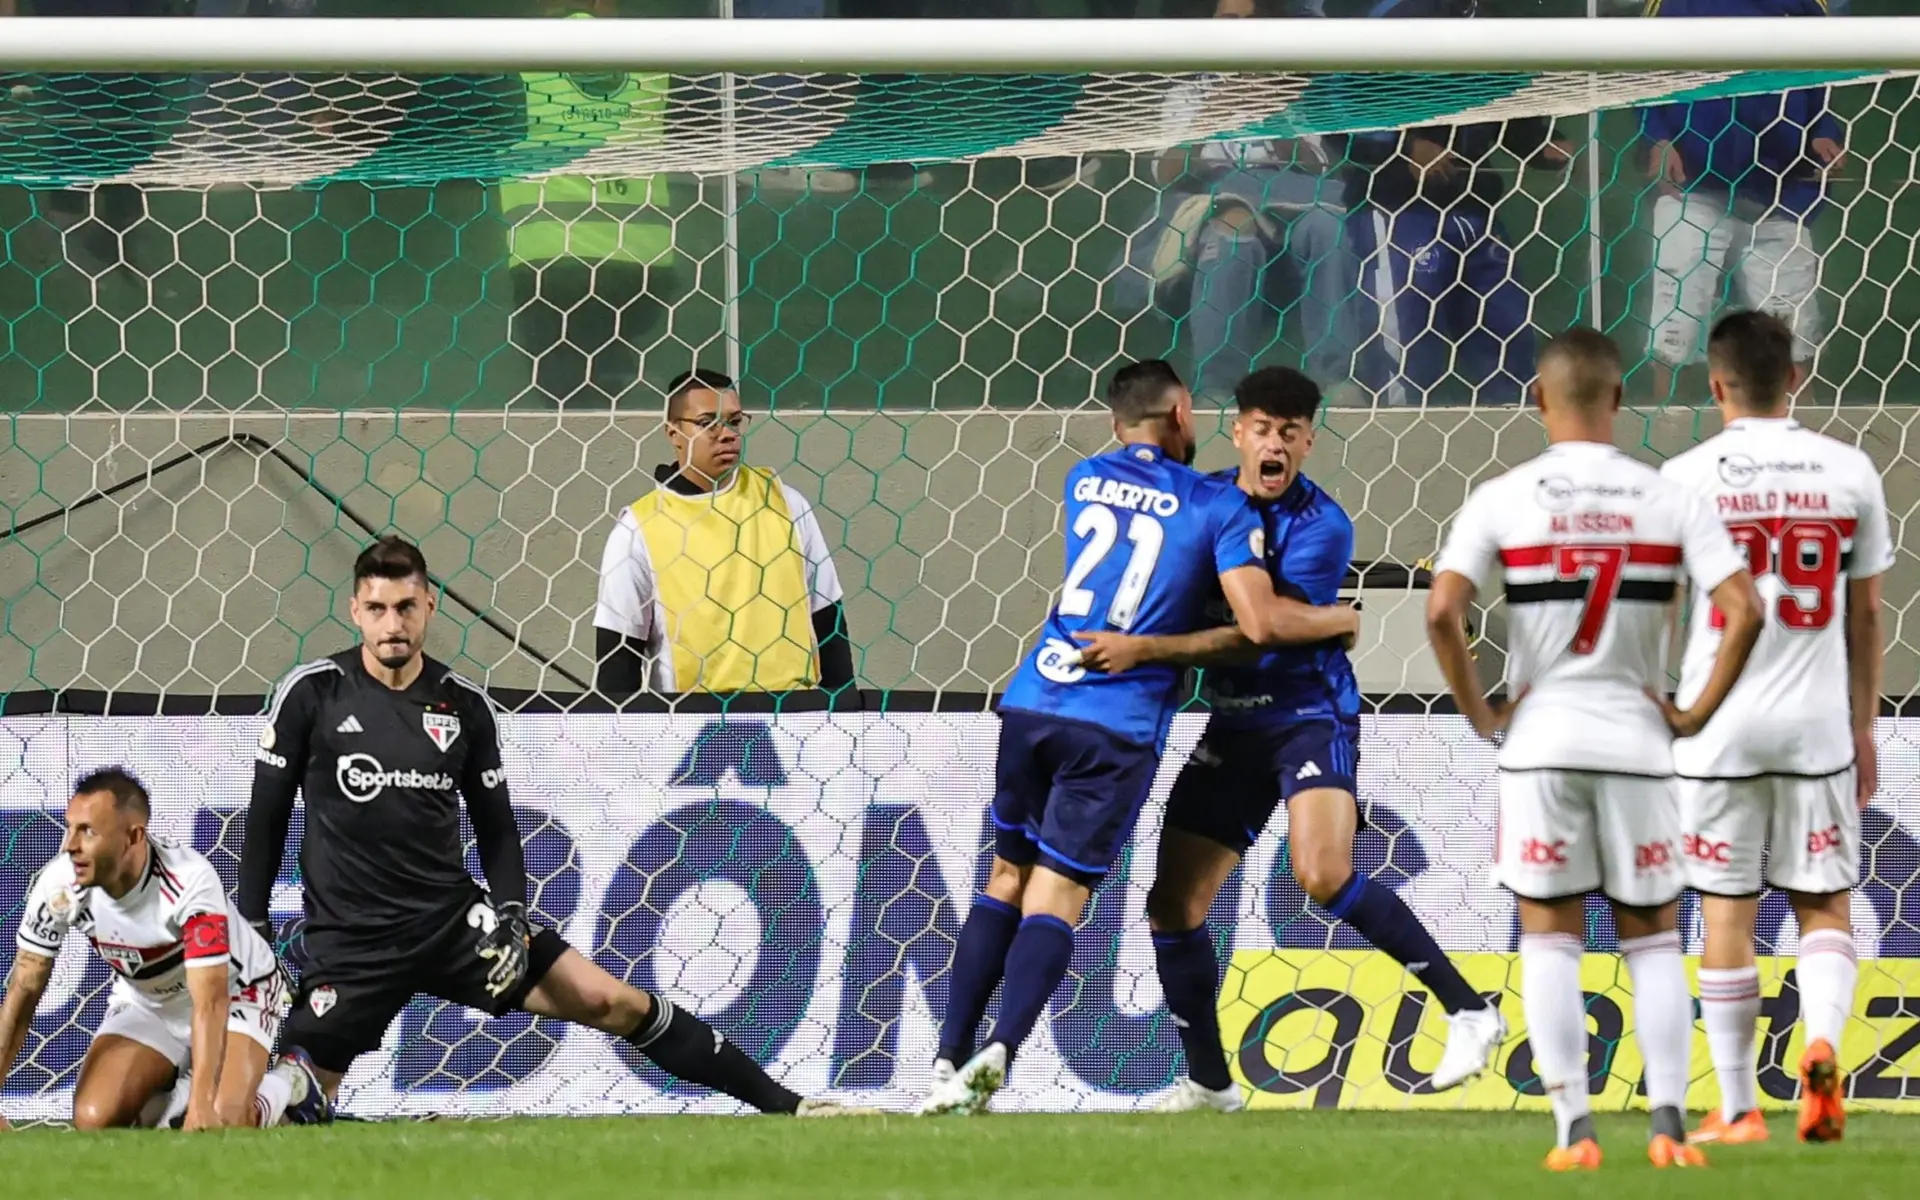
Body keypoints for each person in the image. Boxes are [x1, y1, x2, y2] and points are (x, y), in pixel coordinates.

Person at [239, 535, 867, 1117]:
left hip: (453, 924)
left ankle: (790, 1107)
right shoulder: (312, 694)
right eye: (377, 608)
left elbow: (498, 830)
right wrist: (256, 925)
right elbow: (265, 820)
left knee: (609, 1000)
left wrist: (512, 913)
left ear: (429, 604)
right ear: (354, 610)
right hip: (352, 941)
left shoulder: (462, 705)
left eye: (406, 606)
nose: (393, 624)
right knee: (298, 1096)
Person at [919, 360, 1361, 1116]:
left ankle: (943, 1060)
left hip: (1032, 700)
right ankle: (1000, 1051)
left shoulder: (1084, 477)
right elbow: (1255, 627)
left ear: (1114, 423)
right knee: (1055, 895)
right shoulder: (1215, 505)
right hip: (1114, 723)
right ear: (1187, 413)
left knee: (1003, 880)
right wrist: (1338, 619)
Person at [1069, 366, 1504, 1112]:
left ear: (1307, 442)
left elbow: (1259, 637)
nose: (1274, 446)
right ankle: (1208, 1081)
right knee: (1172, 905)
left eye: (1290, 434)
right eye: (1262, 429)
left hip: (1308, 713)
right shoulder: (1199, 499)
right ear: (1236, 431)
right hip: (1234, 725)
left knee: (1323, 874)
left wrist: (1159, 648)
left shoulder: (1322, 526)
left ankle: (1469, 1009)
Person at [1425, 328, 1762, 1170]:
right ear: (1618, 400)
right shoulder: (1669, 497)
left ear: (1538, 400)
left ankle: (1575, 1130)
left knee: (1550, 938)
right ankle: (1669, 1128)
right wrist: (1692, 711)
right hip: (1641, 748)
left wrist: (1481, 712)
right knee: (1651, 939)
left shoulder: (1502, 496)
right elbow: (1745, 607)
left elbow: (1439, 612)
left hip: (1541, 746)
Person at [1659, 311, 1890, 1146]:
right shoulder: (1850, 469)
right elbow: (1867, 612)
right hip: (1817, 727)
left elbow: (1662, 613)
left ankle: (1737, 1107)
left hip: (1716, 728)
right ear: (1795, 377)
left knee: (1727, 910)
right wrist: (1863, 726)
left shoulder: (1683, 477)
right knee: (1824, 903)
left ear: (1715, 384)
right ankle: (1820, 1050)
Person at [0, 767, 327, 1132]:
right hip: (149, 1000)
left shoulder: (189, 883)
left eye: (87, 831)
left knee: (224, 1119)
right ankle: (177, 1097)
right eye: (70, 827)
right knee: (94, 1121)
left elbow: (211, 1000)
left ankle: (289, 1083)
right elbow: (25, 987)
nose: (69, 845)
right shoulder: (59, 886)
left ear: (133, 836)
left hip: (239, 993)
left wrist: (203, 1107)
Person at [1123, 0, 1359, 402]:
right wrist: (1216, 112)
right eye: (1229, 19)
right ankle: (1217, 386)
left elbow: (1318, 170)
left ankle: (1335, 378)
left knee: (1329, 227)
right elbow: (1167, 175)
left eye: (1251, 21)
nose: (1241, 29)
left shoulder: (1294, 91)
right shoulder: (1187, 94)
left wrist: (1274, 107)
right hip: (1216, 208)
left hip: (1289, 209)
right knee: (1232, 230)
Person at [1345, 0, 1569, 406]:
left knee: (1507, 333)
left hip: (1475, 208)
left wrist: (1540, 143)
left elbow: (1504, 103)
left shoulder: (1492, 17)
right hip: (1400, 210)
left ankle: (1510, 441)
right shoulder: (1387, 17)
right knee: (1408, 351)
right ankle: (1397, 446)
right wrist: (1407, 148)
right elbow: (1342, 106)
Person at [593, 369, 854, 697]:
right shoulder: (639, 528)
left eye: (734, 420)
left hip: (794, 716)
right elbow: (619, 654)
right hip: (696, 723)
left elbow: (828, 616)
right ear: (673, 433)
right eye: (707, 423)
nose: (727, 433)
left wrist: (843, 717)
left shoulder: (785, 503)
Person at [1641, 0, 1843, 401]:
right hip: (1693, 184)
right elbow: (1646, 66)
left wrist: (1823, 128)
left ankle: (1797, 438)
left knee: (1793, 328)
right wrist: (1657, 137)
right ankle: (1663, 425)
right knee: (1676, 314)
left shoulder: (1811, 4)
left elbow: (1823, 67)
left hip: (1781, 190)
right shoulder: (1671, 5)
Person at [504, 0, 678, 408]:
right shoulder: (655, 57)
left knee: (566, 410)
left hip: (551, 264)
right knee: (616, 401)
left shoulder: (514, 56)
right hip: (646, 269)